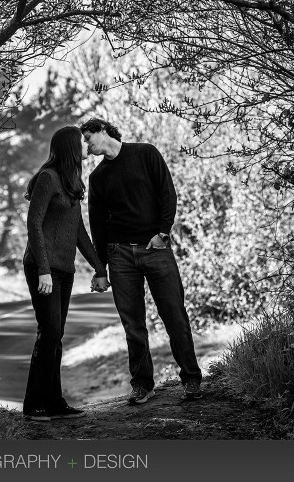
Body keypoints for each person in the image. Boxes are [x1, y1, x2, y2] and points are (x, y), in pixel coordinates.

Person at [80, 118, 203, 405]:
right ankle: (142, 384)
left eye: (88, 138)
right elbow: (97, 225)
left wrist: (163, 232)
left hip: (155, 248)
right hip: (119, 254)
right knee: (132, 324)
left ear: (102, 131)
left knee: (174, 314)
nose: (87, 145)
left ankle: (192, 378)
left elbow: (167, 193)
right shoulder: (97, 178)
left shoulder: (146, 153)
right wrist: (101, 269)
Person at [22, 125, 108, 422]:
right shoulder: (47, 179)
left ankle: (55, 402)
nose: (86, 145)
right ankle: (34, 405)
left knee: (55, 336)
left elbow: (79, 232)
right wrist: (43, 271)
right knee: (50, 333)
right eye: (81, 142)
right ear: (71, 147)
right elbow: (34, 225)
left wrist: (99, 267)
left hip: (64, 269)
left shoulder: (72, 182)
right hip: (42, 268)